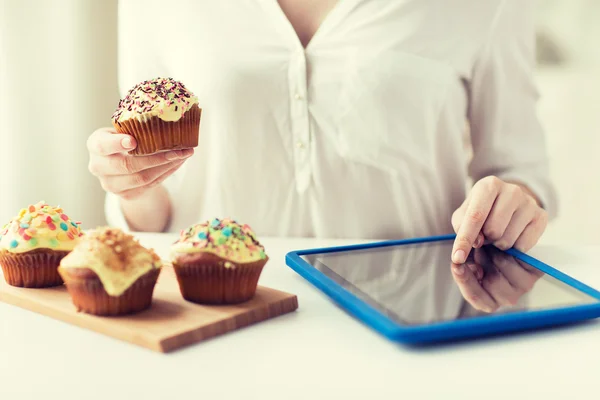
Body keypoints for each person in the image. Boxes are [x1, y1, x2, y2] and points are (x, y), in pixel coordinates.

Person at [87, 0, 556, 268]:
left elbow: (519, 170)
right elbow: (151, 193)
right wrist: (131, 184)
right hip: (211, 309)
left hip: (411, 306)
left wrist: (510, 205)